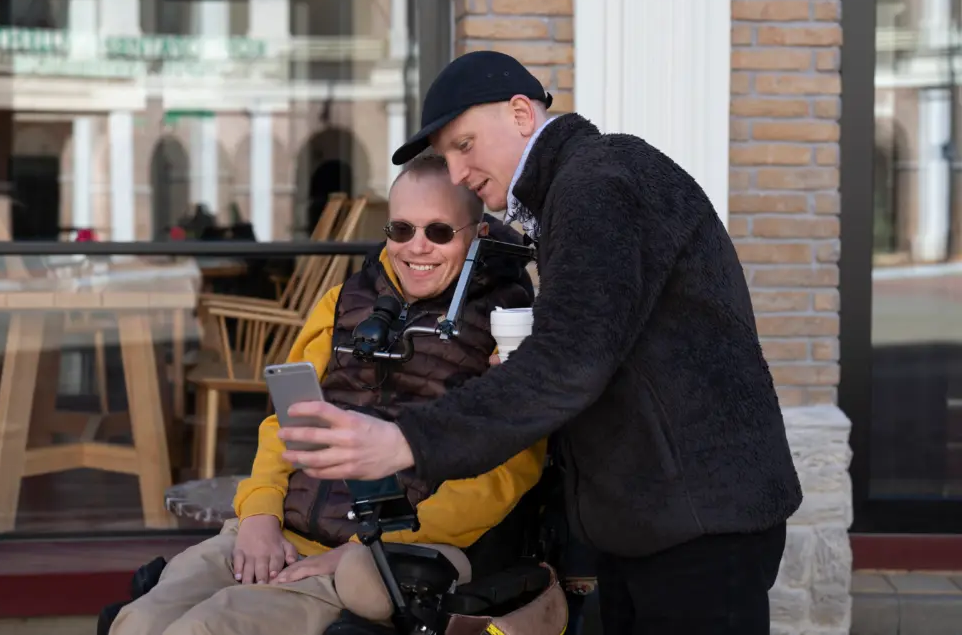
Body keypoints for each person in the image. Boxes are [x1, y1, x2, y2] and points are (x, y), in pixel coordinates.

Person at [278, 50, 804, 634]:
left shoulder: (596, 184)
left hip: (699, 525)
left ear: (522, 114)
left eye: (464, 145)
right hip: (664, 520)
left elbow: (570, 363)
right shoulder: (583, 186)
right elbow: (597, 350)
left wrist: (407, 441)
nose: (456, 174)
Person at [109, 153, 544, 635]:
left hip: (373, 558)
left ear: (476, 234)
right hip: (275, 532)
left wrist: (359, 553)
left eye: (439, 232)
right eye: (402, 230)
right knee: (137, 622)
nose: (417, 248)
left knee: (203, 630)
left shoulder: (508, 329)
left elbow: (502, 478)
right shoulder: (342, 303)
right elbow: (284, 422)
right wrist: (257, 515)